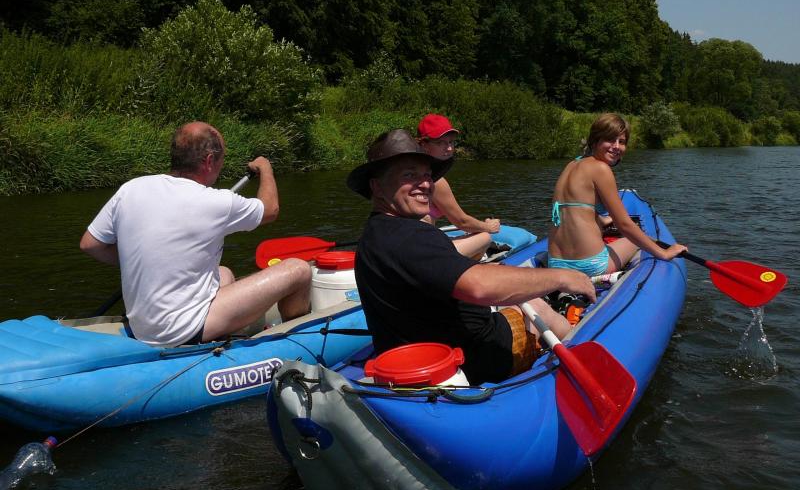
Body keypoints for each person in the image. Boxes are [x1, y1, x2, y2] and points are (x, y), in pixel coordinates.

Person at [347, 129, 596, 385]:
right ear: (377, 186)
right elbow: (479, 287)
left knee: (517, 302)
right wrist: (562, 276)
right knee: (537, 304)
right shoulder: (409, 236)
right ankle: (582, 350)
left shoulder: (376, 232)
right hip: (475, 357)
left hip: (421, 351)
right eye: (409, 175)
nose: (424, 184)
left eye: (427, 175)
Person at [80, 121, 311, 347]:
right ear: (210, 161)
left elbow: (91, 244)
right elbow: (270, 209)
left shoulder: (131, 188)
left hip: (143, 326)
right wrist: (266, 168)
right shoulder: (217, 202)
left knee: (224, 274)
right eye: (221, 160)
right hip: (180, 331)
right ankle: (297, 342)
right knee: (299, 270)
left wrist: (144, 260)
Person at [547, 113, 687, 276]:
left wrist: (603, 219)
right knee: (636, 241)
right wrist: (664, 253)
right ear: (596, 140)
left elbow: (574, 209)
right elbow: (624, 225)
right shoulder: (600, 168)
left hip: (556, 263)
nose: (616, 146)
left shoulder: (572, 164)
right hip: (588, 265)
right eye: (610, 139)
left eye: (622, 142)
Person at [417, 114, 500, 260]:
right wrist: (489, 226)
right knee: (484, 237)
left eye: (451, 142)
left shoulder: (408, 173)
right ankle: (468, 271)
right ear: (424, 145)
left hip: (413, 244)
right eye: (441, 143)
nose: (449, 148)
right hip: (423, 253)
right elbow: (462, 222)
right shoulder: (434, 180)